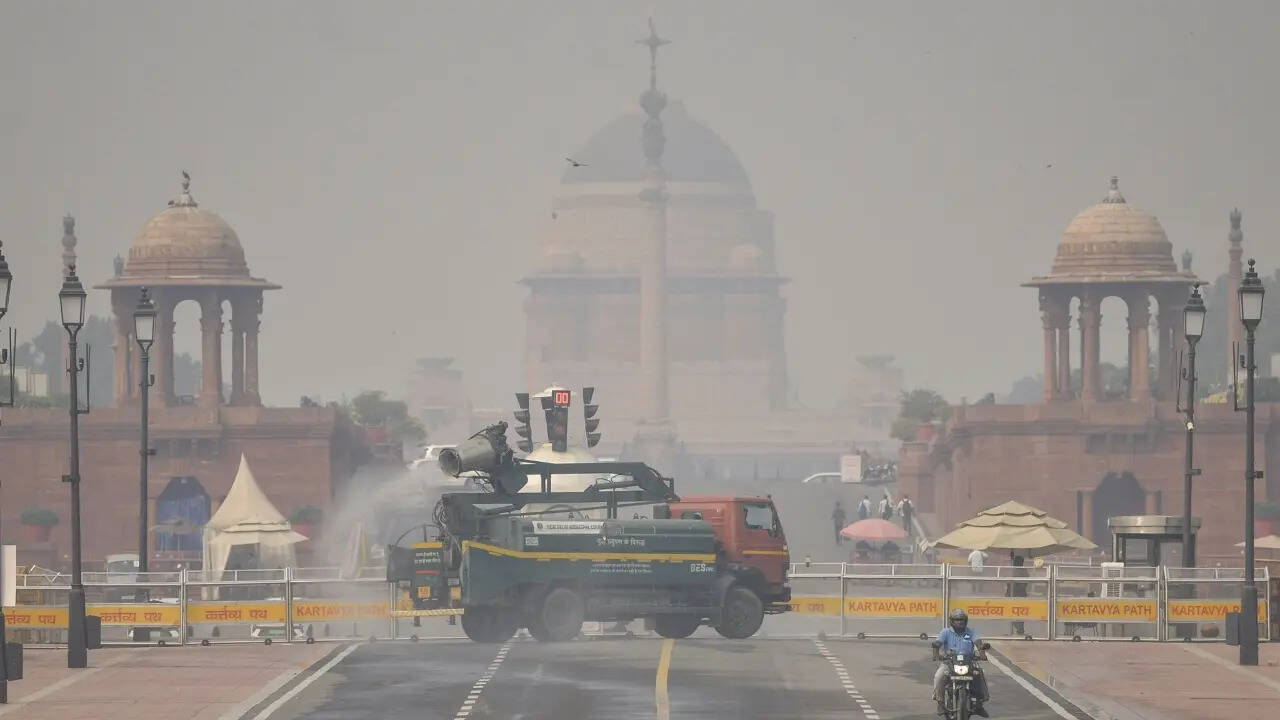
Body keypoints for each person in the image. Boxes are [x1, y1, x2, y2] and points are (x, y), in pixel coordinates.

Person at [932, 609, 990, 717]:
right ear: (952, 621)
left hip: (969, 662)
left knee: (981, 674)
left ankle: (980, 704)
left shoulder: (971, 632)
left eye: (962, 620)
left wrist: (982, 653)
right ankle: (940, 703)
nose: (960, 622)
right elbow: (938, 643)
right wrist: (936, 653)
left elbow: (978, 643)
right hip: (949, 662)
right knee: (939, 675)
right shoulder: (945, 632)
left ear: (965, 621)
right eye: (957, 620)